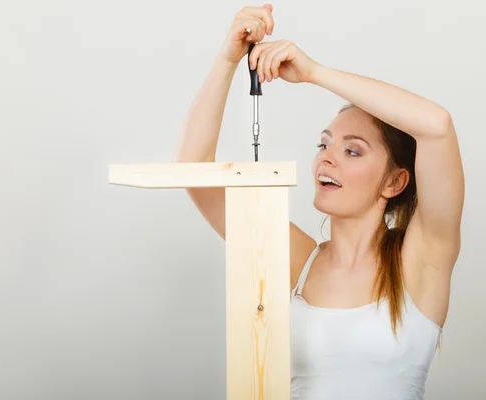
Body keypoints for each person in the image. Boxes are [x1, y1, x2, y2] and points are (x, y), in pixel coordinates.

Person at [173, 4, 464, 399]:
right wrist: (228, 57)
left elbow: (437, 126)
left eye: (353, 151)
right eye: (324, 144)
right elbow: (194, 173)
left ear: (395, 182)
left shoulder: (422, 260)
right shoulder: (300, 261)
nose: (327, 158)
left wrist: (313, 73)